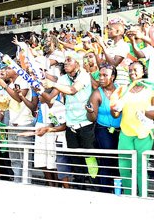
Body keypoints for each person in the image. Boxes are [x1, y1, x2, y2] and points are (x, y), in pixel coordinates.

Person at [111, 61, 154, 196]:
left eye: (135, 70)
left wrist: (143, 112)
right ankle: (128, 195)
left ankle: (143, 196)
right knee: (124, 168)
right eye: (130, 70)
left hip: (143, 133)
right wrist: (114, 109)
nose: (132, 72)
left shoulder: (152, 89)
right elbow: (115, 114)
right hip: (126, 132)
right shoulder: (124, 89)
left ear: (143, 71)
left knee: (140, 168)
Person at [51, 51, 95, 189]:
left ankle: (95, 184)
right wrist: (40, 87)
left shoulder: (84, 76)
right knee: (75, 158)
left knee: (90, 158)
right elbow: (51, 98)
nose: (65, 63)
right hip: (71, 126)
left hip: (86, 124)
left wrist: (52, 84)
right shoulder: (63, 79)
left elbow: (72, 90)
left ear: (77, 62)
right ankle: (80, 185)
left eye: (69, 60)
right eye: (65, 60)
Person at [86, 63, 122, 192]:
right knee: (107, 160)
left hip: (121, 131)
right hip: (103, 131)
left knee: (119, 161)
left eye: (104, 75)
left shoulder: (121, 90)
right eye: (100, 75)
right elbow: (92, 118)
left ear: (112, 77)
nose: (100, 78)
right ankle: (105, 190)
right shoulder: (97, 94)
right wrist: (90, 112)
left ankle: (118, 189)